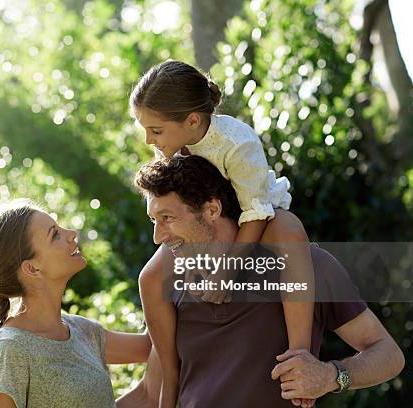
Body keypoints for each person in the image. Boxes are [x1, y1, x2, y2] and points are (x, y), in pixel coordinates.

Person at [117, 155, 404, 407]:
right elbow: (151, 394)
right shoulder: (167, 284)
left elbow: (388, 354)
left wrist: (331, 376)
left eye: (167, 217)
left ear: (212, 209)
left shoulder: (304, 266)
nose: (158, 237)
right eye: (154, 221)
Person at [130, 59, 315, 406]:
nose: (148, 139)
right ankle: (170, 383)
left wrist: (226, 270)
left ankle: (299, 356)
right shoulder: (171, 144)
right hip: (210, 214)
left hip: (253, 210)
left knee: (291, 232)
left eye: (155, 130)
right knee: (150, 277)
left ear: (193, 121)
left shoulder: (236, 143)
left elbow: (256, 212)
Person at [0, 199, 151, 408]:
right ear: (32, 269)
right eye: (54, 234)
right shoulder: (11, 348)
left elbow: (153, 347)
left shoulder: (82, 331)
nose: (71, 233)